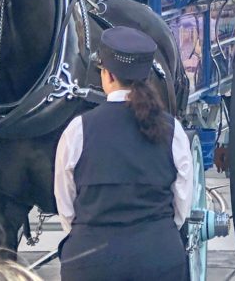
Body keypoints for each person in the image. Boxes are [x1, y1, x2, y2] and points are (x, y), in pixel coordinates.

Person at [54, 27, 192, 280]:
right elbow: (180, 205)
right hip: (158, 257)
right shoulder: (173, 130)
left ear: (106, 75)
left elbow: (66, 207)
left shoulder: (78, 130)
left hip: (90, 261)